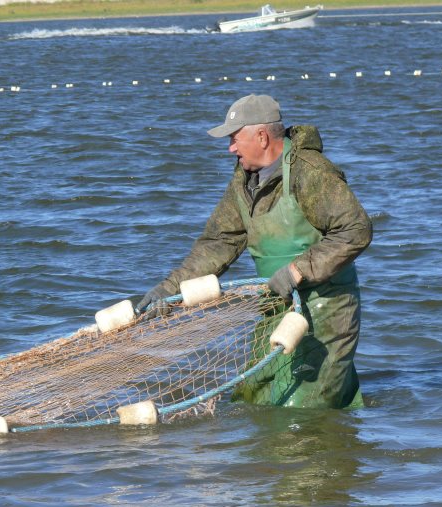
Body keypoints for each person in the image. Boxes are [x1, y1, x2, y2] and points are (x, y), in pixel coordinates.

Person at [136, 94, 372, 409]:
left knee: (300, 411)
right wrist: (170, 290)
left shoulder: (310, 171)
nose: (230, 148)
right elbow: (218, 243)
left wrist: (297, 271)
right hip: (275, 303)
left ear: (261, 137)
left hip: (326, 307)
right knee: (255, 399)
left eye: (234, 139)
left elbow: (356, 229)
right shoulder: (243, 180)